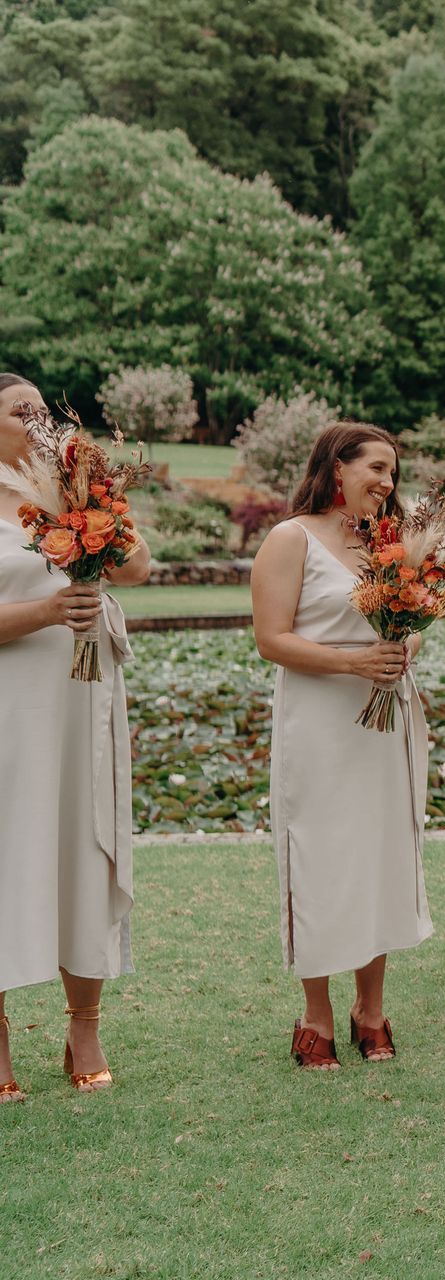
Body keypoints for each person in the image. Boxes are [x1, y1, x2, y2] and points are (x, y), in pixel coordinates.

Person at [251, 423, 431, 1071]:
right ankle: (317, 1014)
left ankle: (371, 1010)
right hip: (319, 726)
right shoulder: (289, 539)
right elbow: (271, 640)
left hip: (385, 725)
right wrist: (354, 665)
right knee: (321, 857)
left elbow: (409, 625)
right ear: (336, 467)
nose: (387, 482)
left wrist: (404, 644)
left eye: (392, 472)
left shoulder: (390, 545)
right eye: (376, 468)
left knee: (380, 856)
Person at [0, 372, 148, 1097]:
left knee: (84, 848)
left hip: (83, 699)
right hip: (8, 711)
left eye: (39, 408)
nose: (37, 419)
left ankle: (83, 1024)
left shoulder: (71, 490)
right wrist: (48, 614)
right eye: (17, 410)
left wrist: (93, 496)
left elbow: (137, 567)